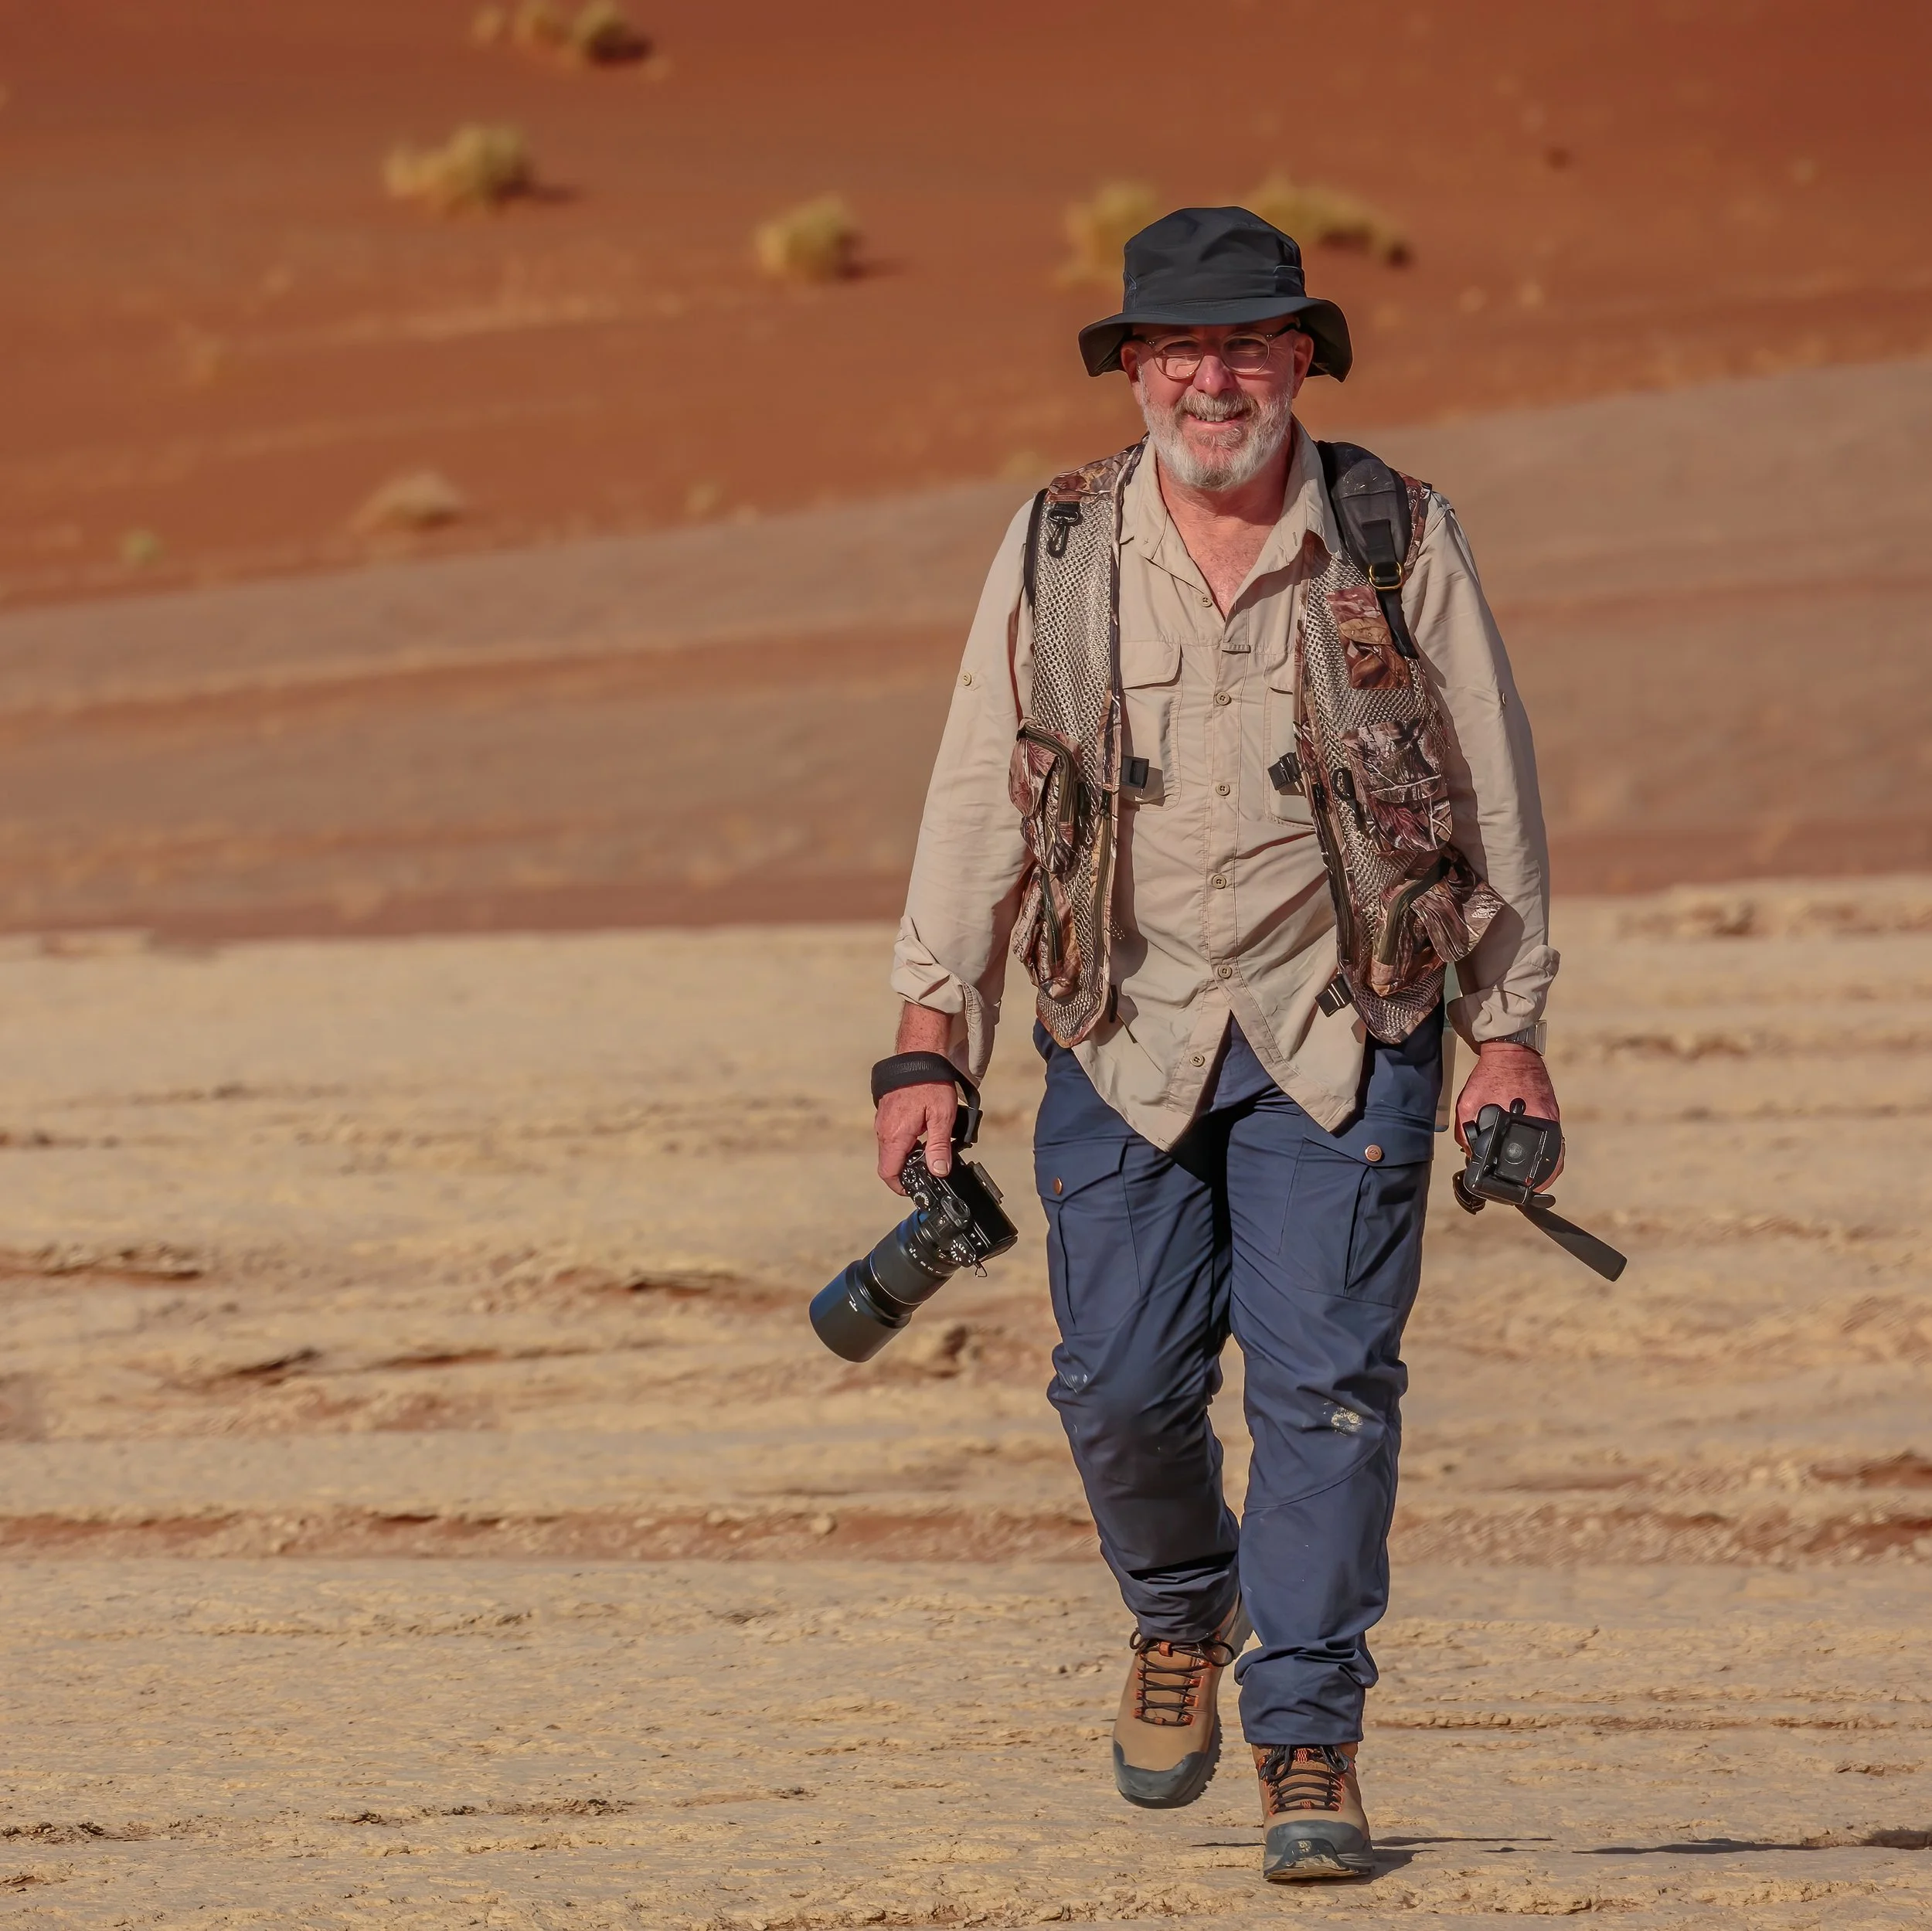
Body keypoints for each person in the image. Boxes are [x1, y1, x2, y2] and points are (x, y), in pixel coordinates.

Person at [872, 207, 1557, 1885]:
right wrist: (924, 1033)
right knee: (1114, 1387)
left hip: (1354, 1025)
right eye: (1175, 347)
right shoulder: (1055, 547)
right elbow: (979, 789)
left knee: (1325, 1397)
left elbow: (1488, 786)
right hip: (1119, 1027)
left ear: (1299, 358)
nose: (1210, 375)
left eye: (1246, 342)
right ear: (1130, 369)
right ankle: (1183, 1612)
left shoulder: (1394, 533)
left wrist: (1508, 1032)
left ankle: (1307, 1736)